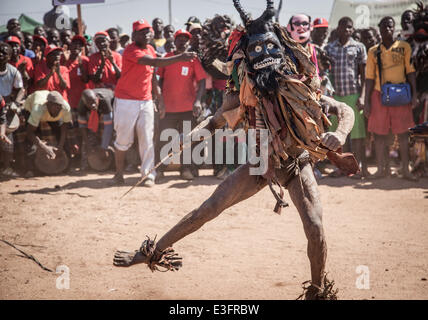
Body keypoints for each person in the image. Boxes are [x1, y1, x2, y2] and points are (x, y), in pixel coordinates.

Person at [113, 1, 356, 300]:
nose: (264, 55)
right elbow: (216, 120)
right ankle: (151, 252)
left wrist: (339, 132)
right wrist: (188, 139)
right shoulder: (243, 87)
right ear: (246, 57)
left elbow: (342, 109)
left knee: (315, 225)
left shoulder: (300, 81)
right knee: (207, 209)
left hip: (296, 162)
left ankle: (317, 292)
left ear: (279, 47)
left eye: (269, 48)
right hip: (260, 163)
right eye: (255, 51)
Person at [111, 19, 197, 186]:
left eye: (148, 31)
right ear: (134, 35)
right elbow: (155, 62)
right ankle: (118, 173)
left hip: (145, 100)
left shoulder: (150, 48)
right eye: (142, 32)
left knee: (147, 138)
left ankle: (148, 174)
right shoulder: (131, 51)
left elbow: (152, 76)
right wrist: (181, 57)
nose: (147, 34)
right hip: (126, 100)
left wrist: (158, 99)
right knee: (123, 140)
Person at [364, 16, 418, 181]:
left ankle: (405, 170)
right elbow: (369, 77)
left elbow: (410, 72)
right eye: (384, 27)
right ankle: (381, 169)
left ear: (394, 28)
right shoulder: (373, 51)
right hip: (379, 95)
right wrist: (366, 101)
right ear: (379, 29)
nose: (387, 29)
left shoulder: (404, 47)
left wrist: (414, 95)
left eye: (390, 26)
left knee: (402, 135)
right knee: (379, 135)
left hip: (401, 96)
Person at [156, 29, 207, 181]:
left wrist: (198, 101)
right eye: (180, 39)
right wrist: (159, 100)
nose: (183, 41)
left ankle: (186, 169)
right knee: (164, 139)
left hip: (187, 108)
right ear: (174, 40)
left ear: (189, 42)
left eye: (186, 39)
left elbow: (202, 81)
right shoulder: (167, 58)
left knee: (186, 140)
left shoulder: (193, 59)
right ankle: (159, 169)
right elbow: (158, 80)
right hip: (168, 109)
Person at [325, 17, 369, 178]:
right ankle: (340, 167)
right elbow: (326, 73)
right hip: (336, 97)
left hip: (354, 95)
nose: (347, 30)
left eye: (350, 28)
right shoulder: (329, 48)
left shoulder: (359, 47)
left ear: (353, 30)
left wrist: (362, 96)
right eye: (344, 27)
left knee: (357, 135)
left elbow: (364, 76)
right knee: (336, 135)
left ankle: (358, 168)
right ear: (338, 28)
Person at [0, 42, 25, 177]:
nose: (0, 54)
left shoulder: (13, 71)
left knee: (7, 136)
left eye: (4, 52)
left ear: (9, 56)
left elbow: (21, 89)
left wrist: (15, 103)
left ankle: (7, 167)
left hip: (7, 104)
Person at [25, 90, 72, 160]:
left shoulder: (65, 107)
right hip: (30, 110)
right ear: (48, 105)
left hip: (49, 115)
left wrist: (60, 146)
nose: (58, 110)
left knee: (62, 138)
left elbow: (65, 127)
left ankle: (67, 164)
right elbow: (30, 132)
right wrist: (45, 147)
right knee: (32, 143)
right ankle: (30, 167)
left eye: (59, 108)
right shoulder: (38, 109)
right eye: (56, 108)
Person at [77, 88, 114, 170]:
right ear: (85, 102)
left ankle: (113, 163)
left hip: (110, 108)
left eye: (94, 101)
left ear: (97, 97)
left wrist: (104, 147)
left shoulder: (105, 101)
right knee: (88, 139)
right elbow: (82, 126)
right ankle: (85, 164)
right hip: (94, 114)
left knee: (111, 135)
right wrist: (87, 144)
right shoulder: (81, 105)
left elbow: (108, 127)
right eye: (89, 103)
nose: (93, 105)